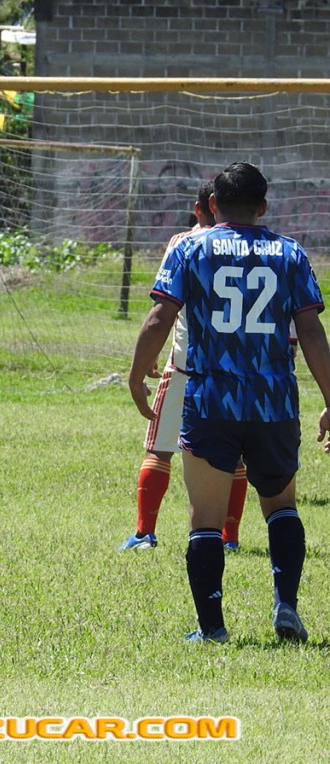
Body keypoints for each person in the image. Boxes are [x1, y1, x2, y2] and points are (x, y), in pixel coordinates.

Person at [129, 161, 330, 644]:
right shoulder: (290, 253)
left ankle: (212, 628)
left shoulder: (190, 248)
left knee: (205, 516)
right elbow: (310, 331)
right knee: (281, 506)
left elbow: (159, 317)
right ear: (263, 207)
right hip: (273, 403)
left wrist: (137, 374)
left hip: (210, 400)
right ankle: (286, 605)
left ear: (213, 203)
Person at [120, 180, 249, 552]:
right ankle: (229, 538)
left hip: (187, 366)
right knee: (234, 454)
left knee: (160, 448)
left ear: (199, 208)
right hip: (237, 368)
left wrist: (147, 358)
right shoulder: (252, 247)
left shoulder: (184, 242)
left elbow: (164, 309)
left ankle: (144, 533)